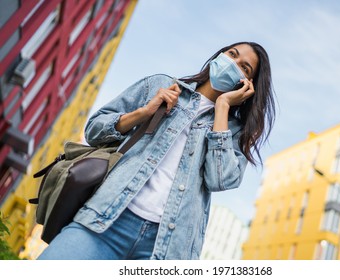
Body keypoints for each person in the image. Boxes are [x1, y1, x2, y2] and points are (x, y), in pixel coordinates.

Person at [38, 41, 276, 260]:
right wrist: (143, 113)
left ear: (247, 85)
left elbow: (220, 179)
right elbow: (94, 130)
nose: (233, 64)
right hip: (105, 220)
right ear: (219, 56)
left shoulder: (234, 130)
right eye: (232, 54)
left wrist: (223, 107)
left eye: (244, 68)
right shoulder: (161, 85)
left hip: (167, 249)